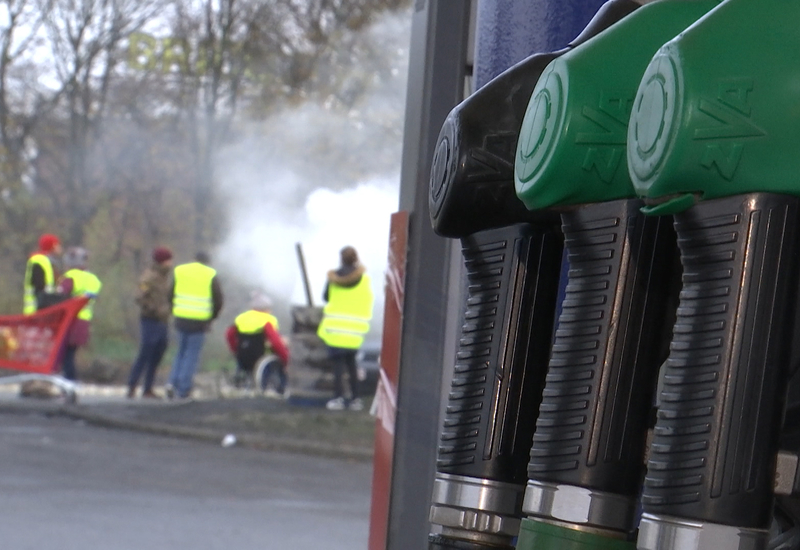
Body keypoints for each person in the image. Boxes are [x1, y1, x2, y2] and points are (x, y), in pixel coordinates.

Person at [317, 246, 374, 411]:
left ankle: (338, 398)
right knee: (352, 366)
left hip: (335, 331)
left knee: (338, 368)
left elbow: (326, 297)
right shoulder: (364, 279)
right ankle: (355, 399)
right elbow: (368, 299)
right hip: (355, 332)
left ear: (341, 259)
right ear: (356, 258)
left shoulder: (333, 278)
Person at [166, 252, 223, 400]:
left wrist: (174, 310)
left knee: (180, 352)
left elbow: (170, 294)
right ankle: (183, 389)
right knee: (191, 355)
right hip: (199, 322)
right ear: (207, 261)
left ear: (193, 259)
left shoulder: (180, 271)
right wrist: (212, 317)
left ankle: (172, 383)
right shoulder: (210, 274)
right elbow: (218, 300)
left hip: (180, 318)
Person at [126, 247, 173, 399]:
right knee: (145, 353)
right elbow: (139, 296)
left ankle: (148, 388)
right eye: (168, 260)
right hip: (150, 320)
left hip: (162, 321)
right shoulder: (149, 277)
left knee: (157, 354)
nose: (171, 263)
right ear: (162, 261)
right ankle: (132, 385)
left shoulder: (164, 277)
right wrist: (153, 309)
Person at [225, 293, 290, 395]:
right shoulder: (267, 320)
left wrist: (235, 350)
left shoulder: (241, 318)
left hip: (243, 355)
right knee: (280, 358)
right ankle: (281, 389)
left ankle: (240, 384)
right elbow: (276, 343)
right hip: (261, 355)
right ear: (267, 309)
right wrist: (286, 359)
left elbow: (229, 335)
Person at [57, 247, 102, 381]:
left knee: (65, 355)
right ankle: (70, 381)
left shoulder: (70, 277)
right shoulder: (94, 279)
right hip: (84, 321)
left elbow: (60, 298)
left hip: (69, 321)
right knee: (71, 354)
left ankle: (69, 382)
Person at [23, 233, 63, 314]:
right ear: (53, 246)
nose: (61, 248)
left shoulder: (48, 262)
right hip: (36, 312)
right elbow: (39, 288)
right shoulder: (39, 261)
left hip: (43, 311)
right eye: (58, 245)